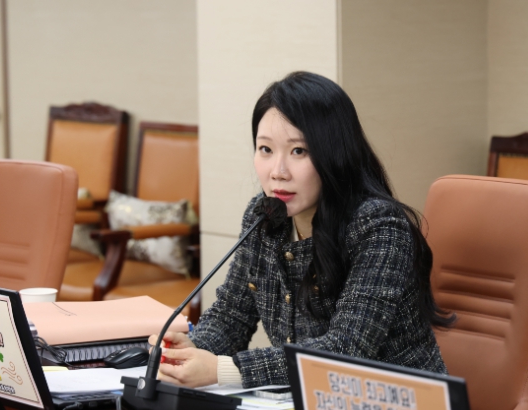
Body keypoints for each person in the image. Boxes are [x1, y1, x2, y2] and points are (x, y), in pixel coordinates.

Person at [149, 71, 454, 389]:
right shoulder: (263, 217)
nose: (278, 172)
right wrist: (191, 350)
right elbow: (232, 316)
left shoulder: (380, 227)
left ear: (334, 155)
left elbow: (347, 349)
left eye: (299, 151)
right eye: (265, 149)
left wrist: (224, 369)